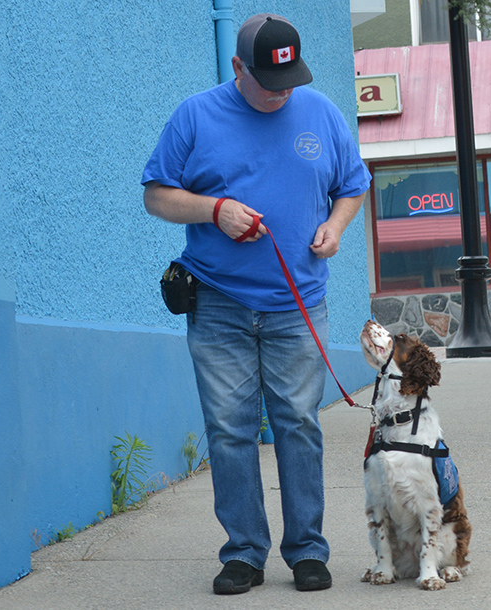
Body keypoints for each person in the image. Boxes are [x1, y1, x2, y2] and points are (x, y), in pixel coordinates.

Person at [141, 13, 370, 595]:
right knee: (229, 429)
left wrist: (336, 227)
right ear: (238, 67)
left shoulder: (320, 112)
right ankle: (243, 552)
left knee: (298, 423)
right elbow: (157, 196)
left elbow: (353, 183)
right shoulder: (196, 115)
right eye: (269, 81)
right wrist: (214, 210)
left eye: (290, 78)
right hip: (218, 301)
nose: (282, 91)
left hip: (299, 302)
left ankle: (308, 551)